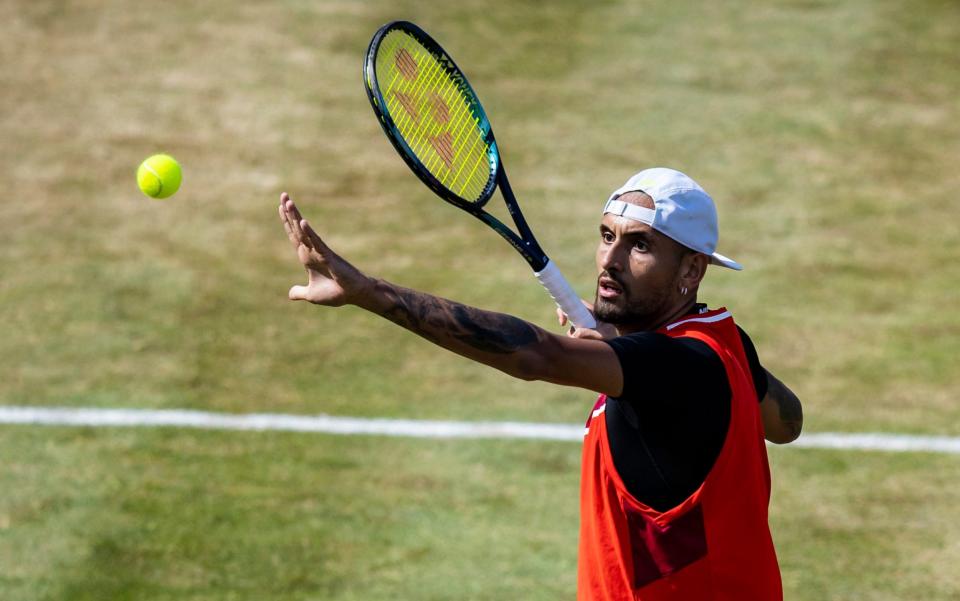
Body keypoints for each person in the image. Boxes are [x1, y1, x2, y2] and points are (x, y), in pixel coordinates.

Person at [278, 167, 802, 601]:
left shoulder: (675, 369)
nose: (609, 260)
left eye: (639, 246)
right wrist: (621, 347)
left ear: (692, 269)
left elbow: (535, 354)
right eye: (606, 236)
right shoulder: (724, 345)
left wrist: (368, 292)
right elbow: (786, 421)